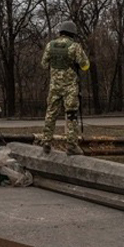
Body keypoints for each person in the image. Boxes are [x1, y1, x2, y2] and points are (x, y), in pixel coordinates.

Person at [39, 21, 90, 155]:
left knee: (50, 114)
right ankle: (72, 145)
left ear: (60, 32)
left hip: (54, 87)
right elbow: (85, 65)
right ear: (72, 33)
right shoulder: (75, 47)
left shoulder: (50, 45)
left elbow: (44, 64)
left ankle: (46, 142)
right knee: (71, 115)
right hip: (70, 88)